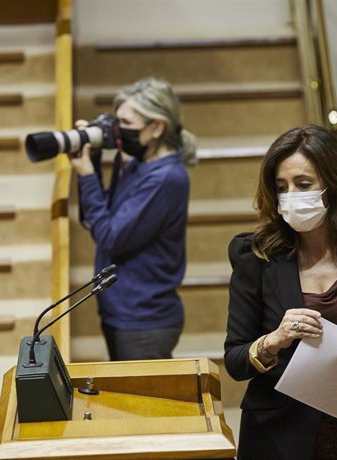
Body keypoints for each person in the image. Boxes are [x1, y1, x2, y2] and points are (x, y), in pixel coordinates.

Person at [224, 124, 337, 459]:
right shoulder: (256, 254)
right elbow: (235, 359)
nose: (292, 195)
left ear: (331, 185)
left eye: (303, 184)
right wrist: (274, 340)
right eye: (282, 187)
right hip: (278, 434)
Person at [69, 77, 197, 361]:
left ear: (157, 127)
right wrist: (95, 155)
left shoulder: (166, 178)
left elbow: (110, 238)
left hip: (144, 321)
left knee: (144, 404)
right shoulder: (136, 163)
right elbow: (97, 221)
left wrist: (87, 175)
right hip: (122, 311)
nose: (118, 131)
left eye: (126, 124)